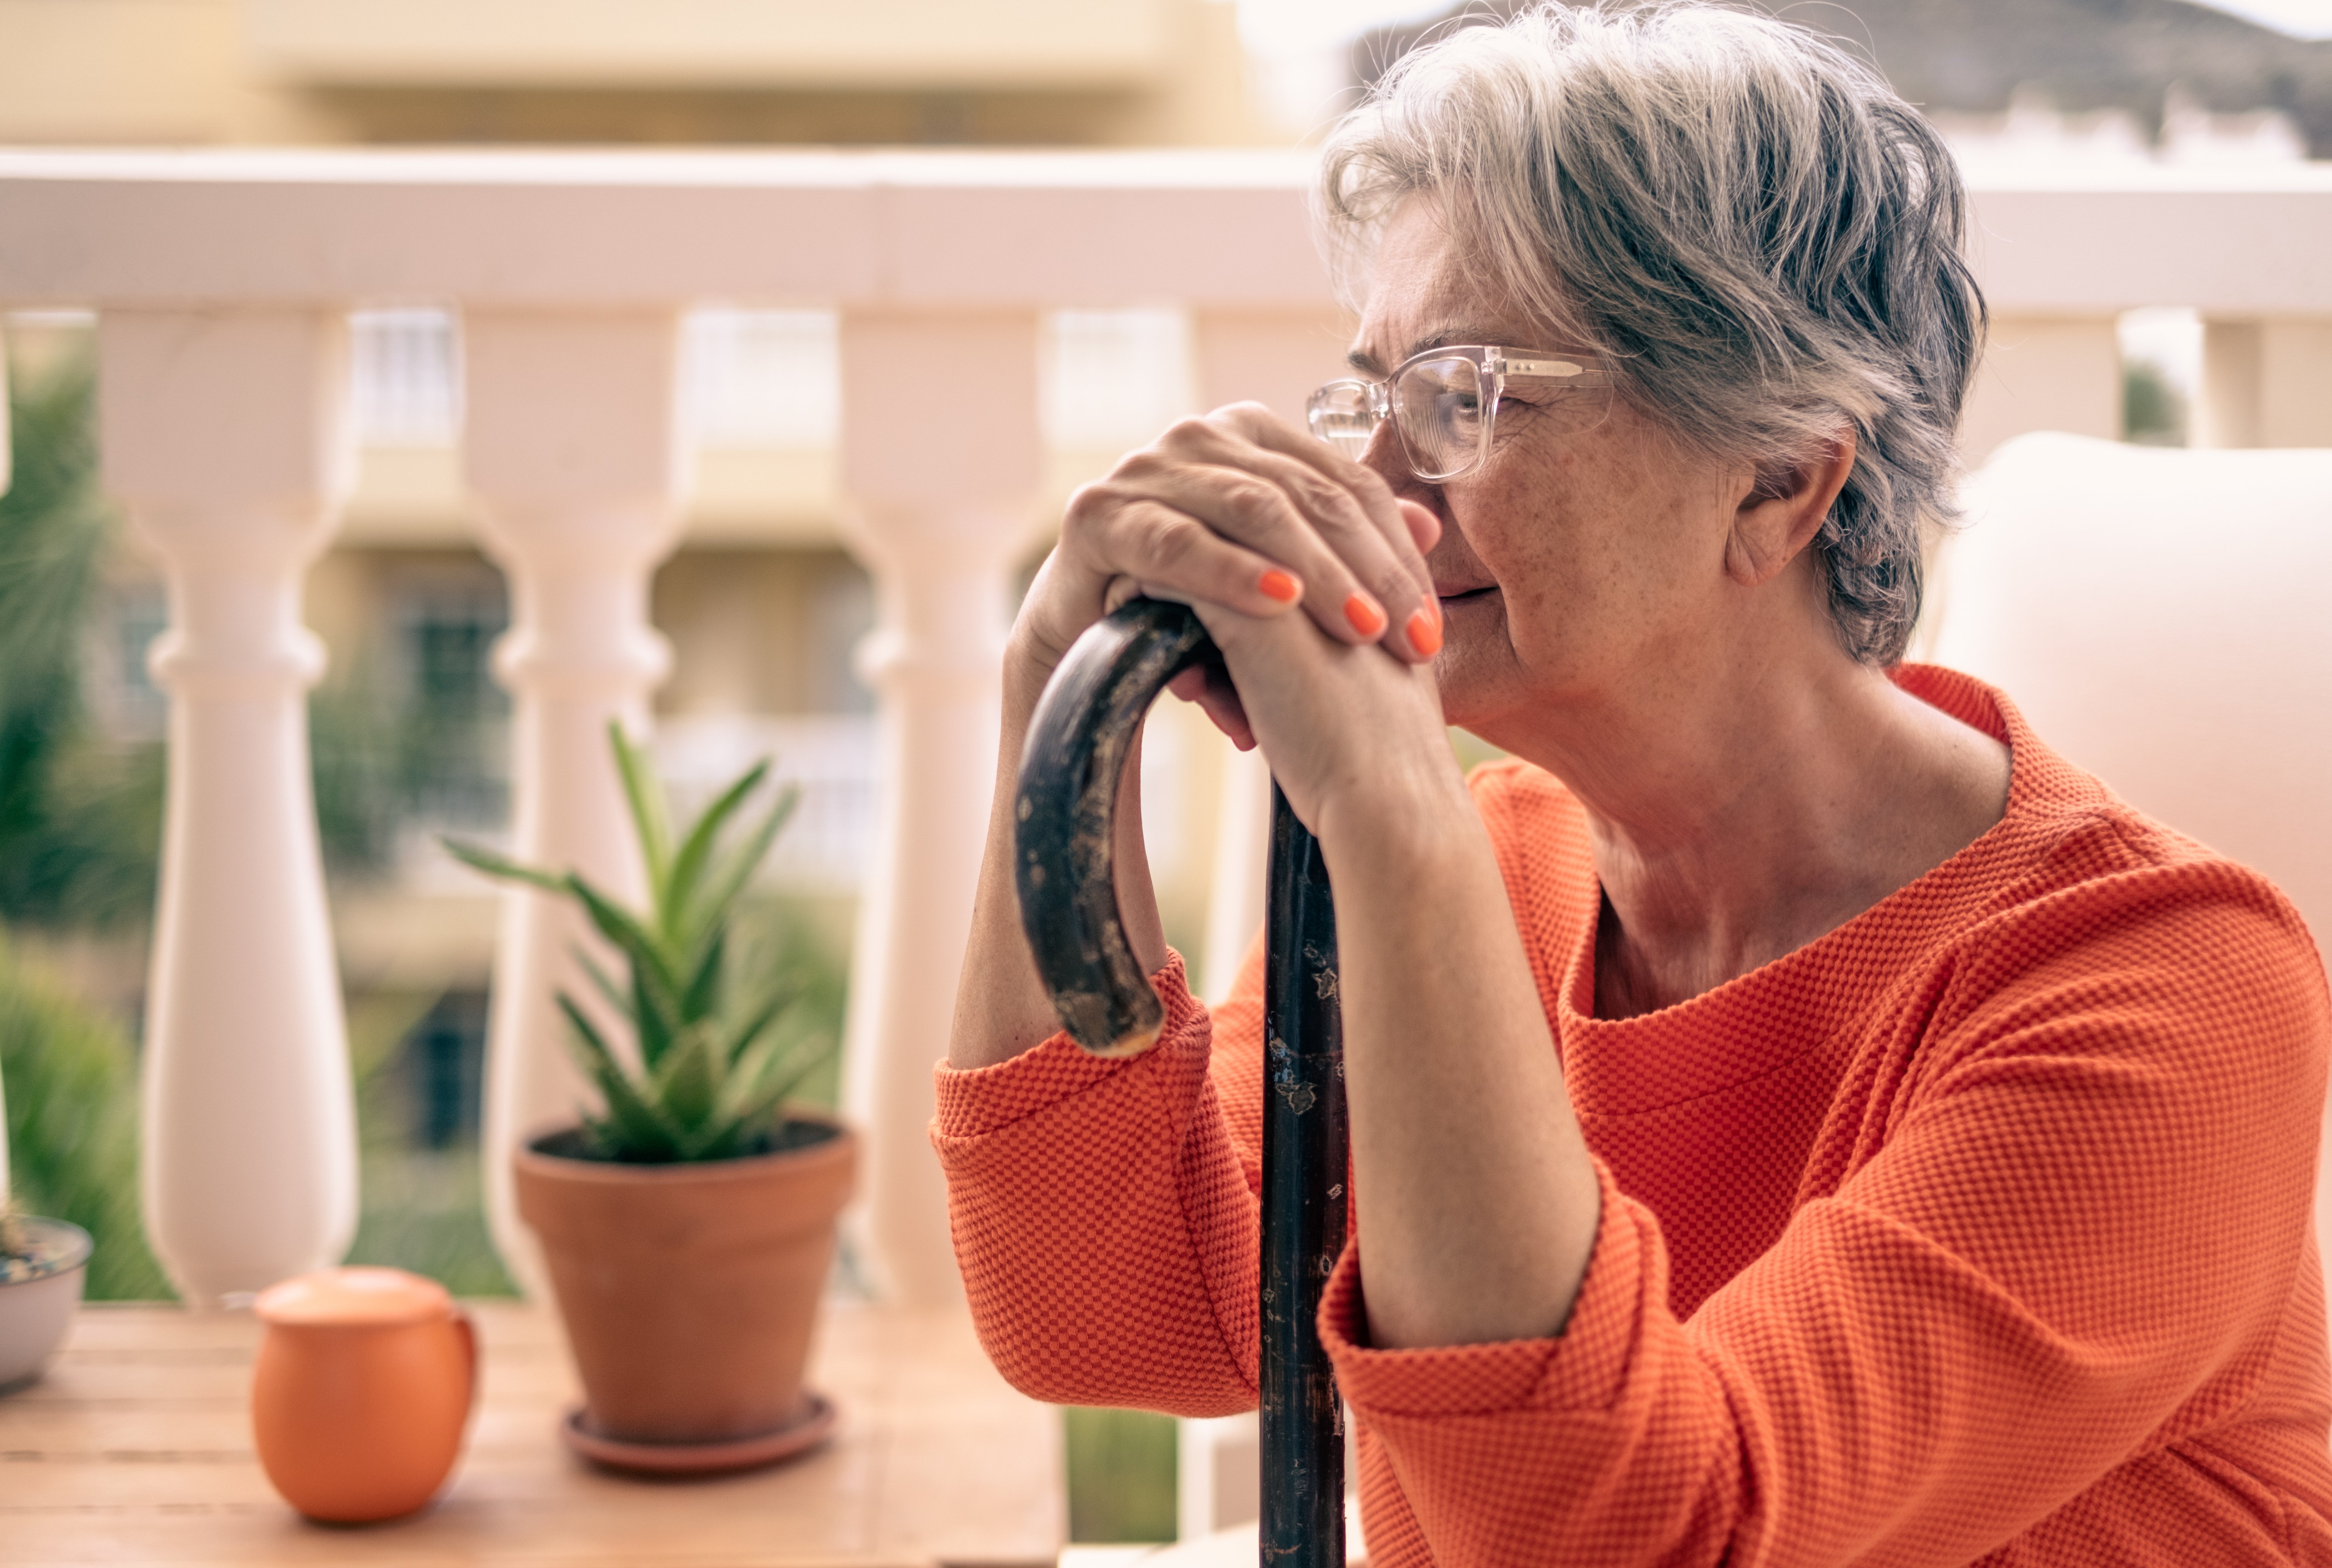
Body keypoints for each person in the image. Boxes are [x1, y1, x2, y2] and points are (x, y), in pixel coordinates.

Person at [939, 3, 2332, 1562]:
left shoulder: (2167, 993)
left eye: (1464, 396)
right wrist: (1050, 678)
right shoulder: (1495, 878)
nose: (1375, 491)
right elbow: (1109, 1306)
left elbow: (1648, 1535)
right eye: (1372, 400)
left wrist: (1394, 822)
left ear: (1777, 475)